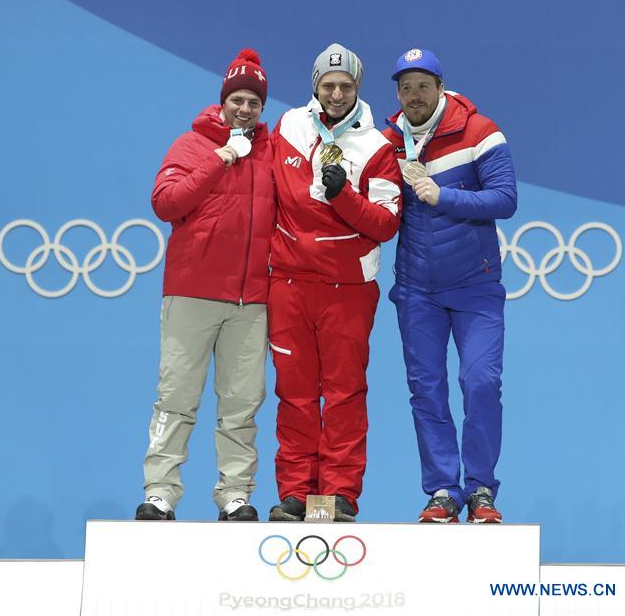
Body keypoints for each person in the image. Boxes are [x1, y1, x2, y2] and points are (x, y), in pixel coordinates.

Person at [135, 49, 275, 522]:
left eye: (254, 102)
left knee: (241, 405)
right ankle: (161, 492)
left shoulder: (271, 153)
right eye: (237, 99)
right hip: (192, 291)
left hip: (251, 300)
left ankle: (235, 494)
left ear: (262, 109)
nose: (245, 109)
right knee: (176, 397)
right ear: (222, 102)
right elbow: (166, 203)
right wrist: (219, 158)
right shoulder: (191, 145)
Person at [267, 43, 402, 523]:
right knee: (295, 393)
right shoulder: (288, 127)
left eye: (346, 85)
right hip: (288, 283)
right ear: (315, 86)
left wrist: (342, 194)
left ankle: (336, 498)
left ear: (358, 88)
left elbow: (385, 224)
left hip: (346, 289)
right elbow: (268, 195)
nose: (337, 93)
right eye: (329, 85)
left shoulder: (378, 147)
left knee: (343, 393)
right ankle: (298, 495)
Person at [382, 48, 517, 525]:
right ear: (397, 93)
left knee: (481, 382)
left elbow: (505, 199)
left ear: (441, 87)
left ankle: (480, 487)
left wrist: (442, 196)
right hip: (417, 291)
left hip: (475, 286)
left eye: (423, 85)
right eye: (405, 87)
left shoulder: (480, 131)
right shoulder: (388, 140)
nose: (413, 95)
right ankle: (442, 489)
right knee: (427, 391)